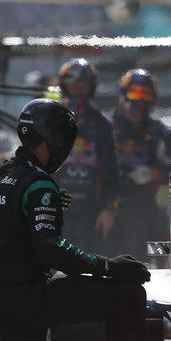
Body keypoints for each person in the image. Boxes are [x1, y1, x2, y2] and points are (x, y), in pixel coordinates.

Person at [0, 98, 171, 341]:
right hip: (31, 298)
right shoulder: (38, 184)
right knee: (127, 294)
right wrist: (106, 266)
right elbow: (50, 250)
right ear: (55, 140)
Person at [111, 69, 171, 258]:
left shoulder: (162, 133)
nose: (140, 99)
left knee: (162, 254)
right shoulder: (105, 128)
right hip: (109, 209)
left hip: (149, 209)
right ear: (123, 94)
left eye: (146, 93)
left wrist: (153, 174)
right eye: (134, 92)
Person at [53, 58, 119, 254]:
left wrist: (108, 209)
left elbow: (112, 173)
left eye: (84, 84)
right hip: (56, 207)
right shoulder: (52, 118)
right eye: (74, 84)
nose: (79, 88)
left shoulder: (103, 124)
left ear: (91, 87)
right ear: (65, 86)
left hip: (91, 211)